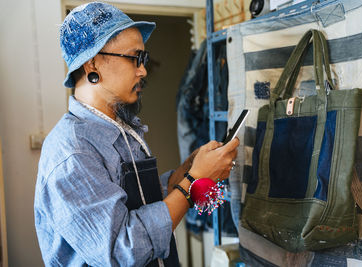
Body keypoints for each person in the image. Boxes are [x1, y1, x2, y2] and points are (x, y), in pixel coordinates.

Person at [34, 2, 239, 267]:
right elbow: (122, 250)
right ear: (93, 63)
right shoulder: (71, 151)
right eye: (135, 58)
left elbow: (139, 203)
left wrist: (185, 171)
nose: (143, 70)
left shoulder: (122, 129)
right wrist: (193, 181)